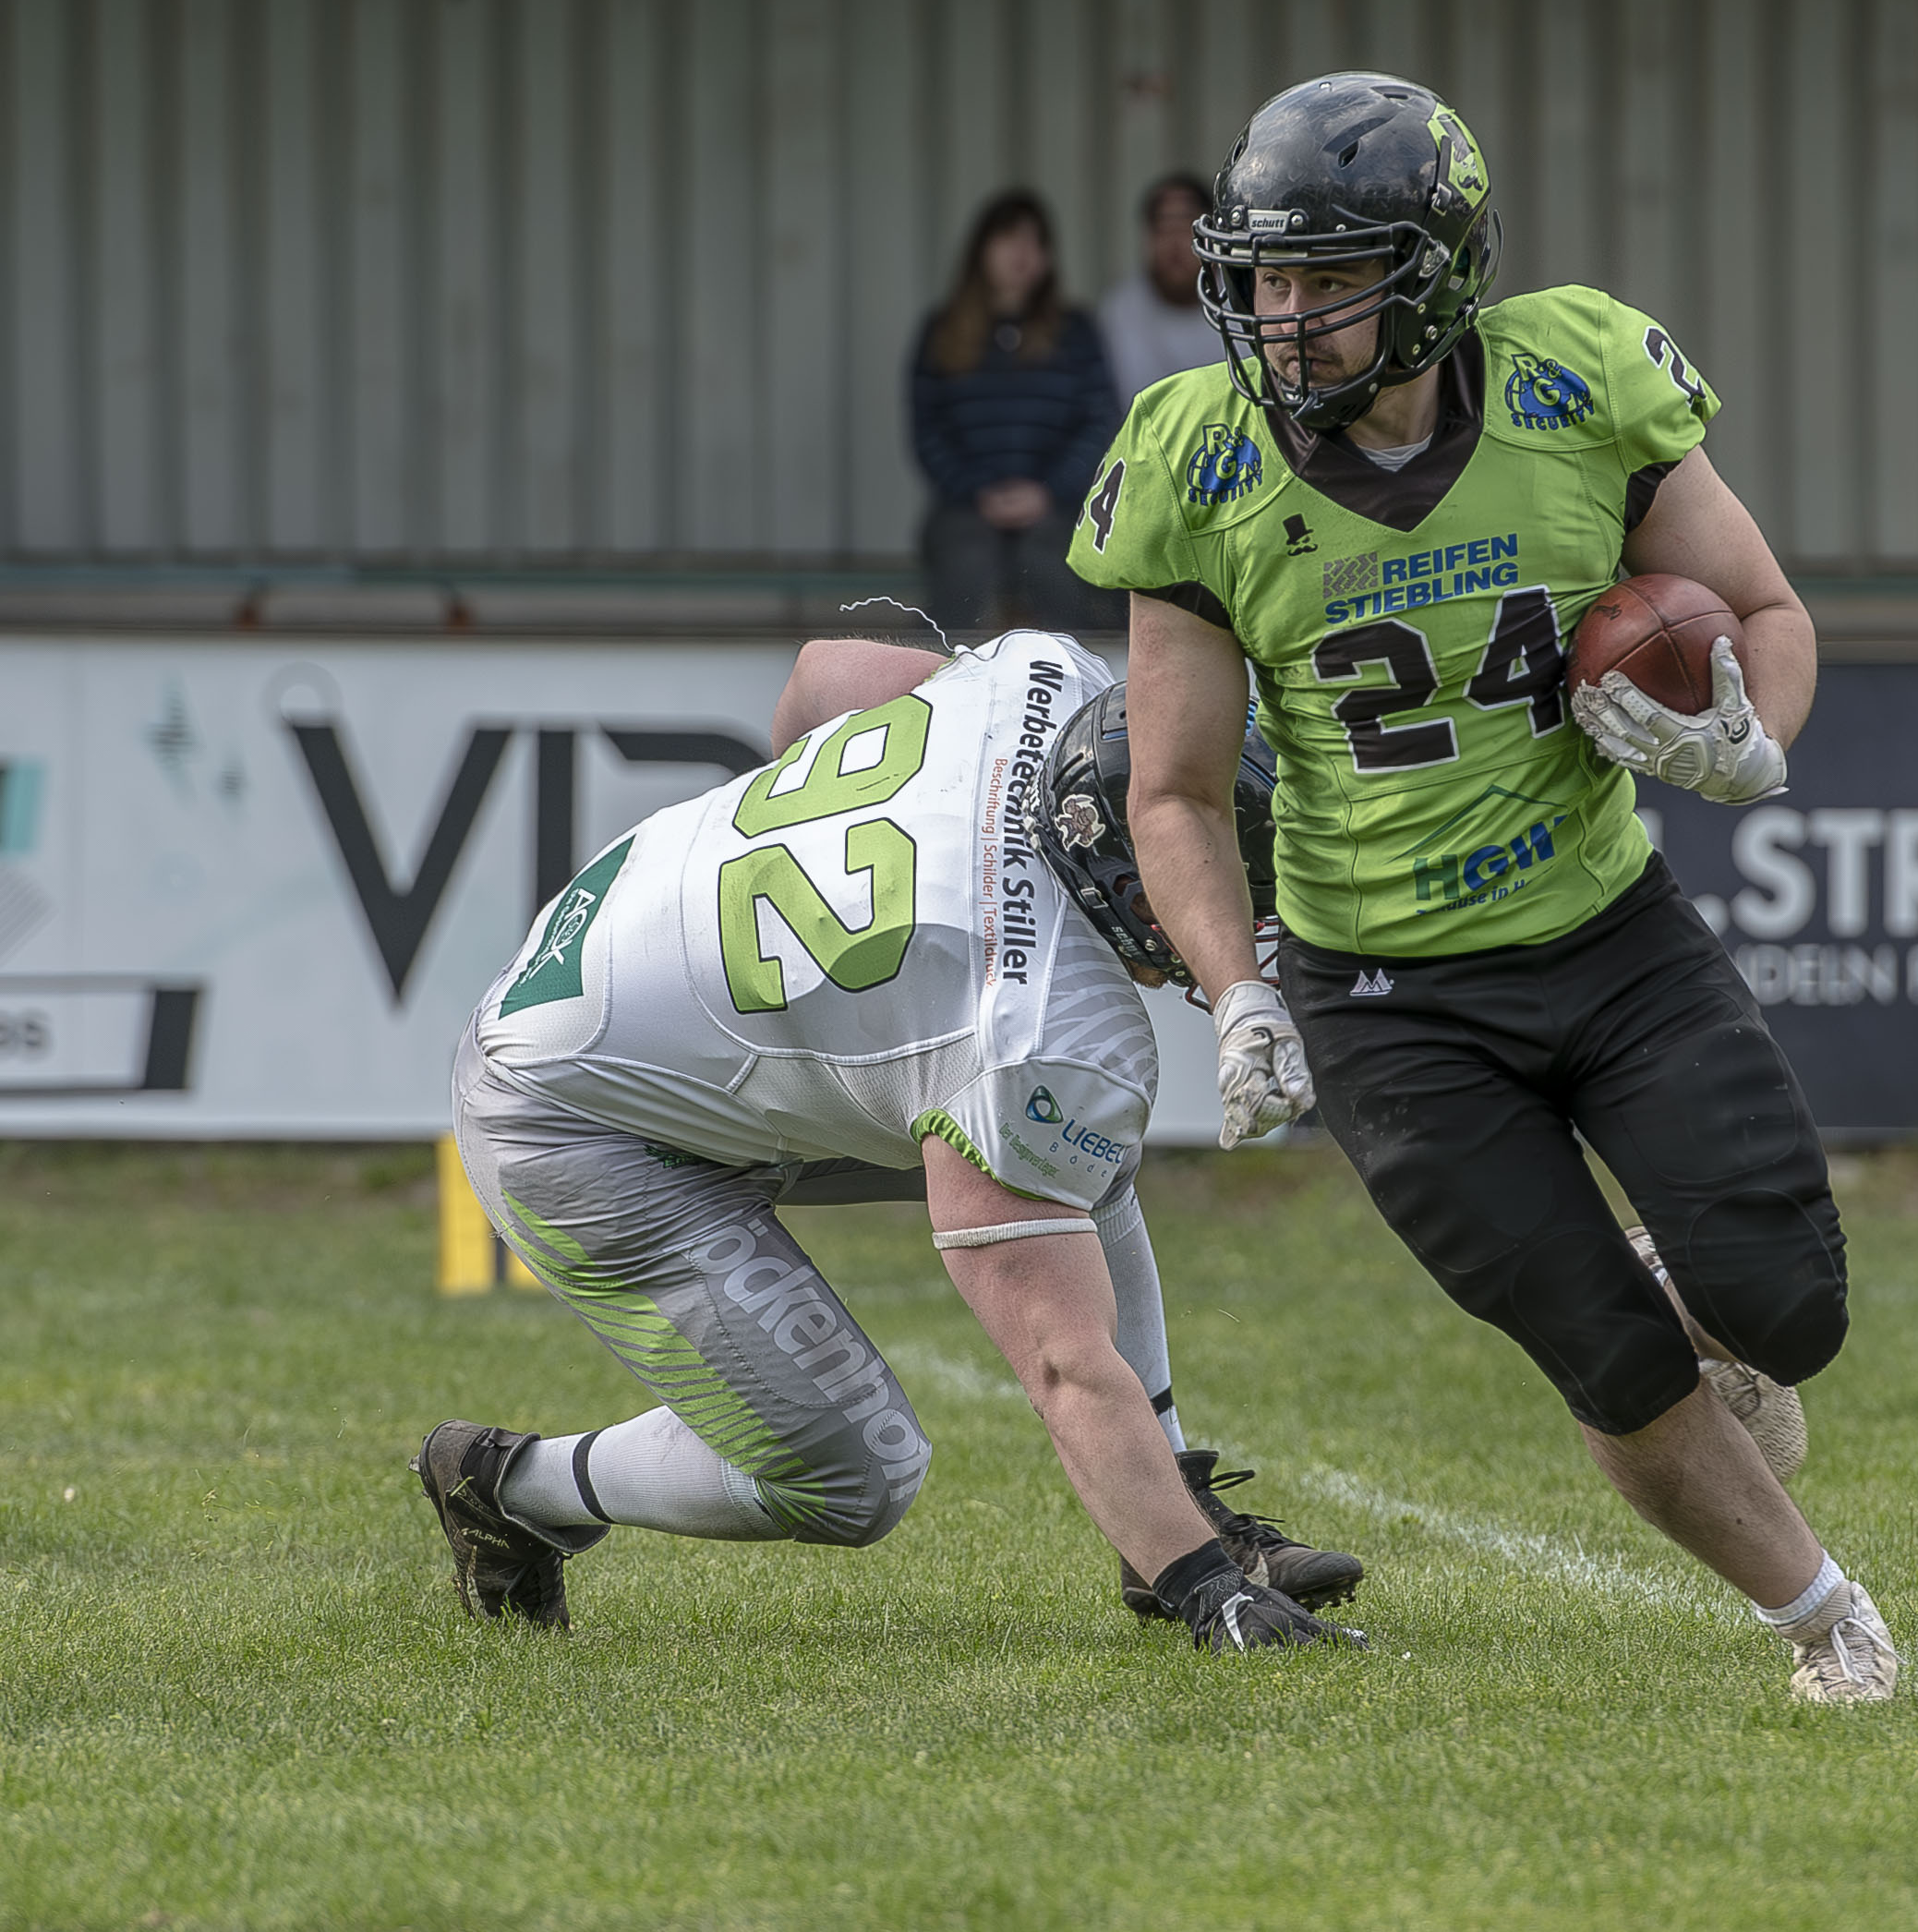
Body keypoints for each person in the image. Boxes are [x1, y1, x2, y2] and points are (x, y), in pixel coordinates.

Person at [1080, 75, 1899, 1702]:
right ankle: (1824, 1623)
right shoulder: (1198, 453)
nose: (1283, 313)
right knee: (1598, 1347)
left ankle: (1704, 1298)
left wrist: (1748, 740)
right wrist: (1237, 989)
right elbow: (1168, 788)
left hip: (1608, 939)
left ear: (1440, 271)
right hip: (1385, 995)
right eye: (1264, 274)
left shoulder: (1576, 375)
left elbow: (1764, 608)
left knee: (1786, 1306)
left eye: (1328, 274)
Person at [417, 629, 1365, 1652]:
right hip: (567, 1116)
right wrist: (1204, 1597)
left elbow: (821, 672)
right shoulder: (1030, 1020)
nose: (1242, 913)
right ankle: (512, 1488)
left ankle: (1174, 1507)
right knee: (858, 1473)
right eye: (1219, 878)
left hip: (614, 960)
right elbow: (1059, 1361)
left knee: (1077, 1152)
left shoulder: (1037, 681)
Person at [908, 191, 1121, 635]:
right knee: (966, 562)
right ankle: (954, 678)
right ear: (981, 250)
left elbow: (1099, 422)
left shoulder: (1075, 333)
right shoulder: (941, 333)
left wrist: (1047, 491)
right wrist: (978, 492)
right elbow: (928, 431)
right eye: (1008, 239)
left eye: (1035, 241)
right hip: (965, 506)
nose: (1022, 254)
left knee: (1056, 560)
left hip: (1058, 505)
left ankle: (1067, 678)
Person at [1096, 173, 1222, 409]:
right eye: (1163, 227)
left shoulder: (1246, 305)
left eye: (1187, 226)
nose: (1174, 242)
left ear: (1213, 235)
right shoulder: (1117, 314)